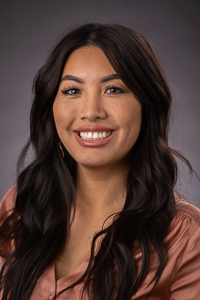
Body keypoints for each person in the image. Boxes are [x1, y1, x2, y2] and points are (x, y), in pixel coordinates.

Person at [0, 23, 200, 300]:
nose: (91, 112)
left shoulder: (187, 237)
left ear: (147, 105)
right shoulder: (20, 206)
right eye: (72, 90)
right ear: (51, 106)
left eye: (114, 89)